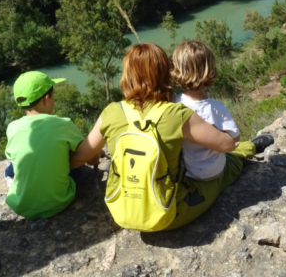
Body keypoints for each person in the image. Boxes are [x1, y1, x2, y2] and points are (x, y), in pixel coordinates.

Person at [70, 43, 274, 230]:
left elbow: (80, 157)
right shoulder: (176, 113)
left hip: (122, 210)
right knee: (230, 162)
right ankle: (251, 148)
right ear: (165, 73)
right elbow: (226, 144)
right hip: (169, 212)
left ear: (127, 75)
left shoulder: (111, 112)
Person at [4, 71, 85, 220]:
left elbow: (11, 155)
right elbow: (85, 152)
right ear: (47, 98)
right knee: (72, 158)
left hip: (21, 206)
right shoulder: (63, 124)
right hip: (59, 202)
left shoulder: (12, 127)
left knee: (13, 166)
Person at [171, 40, 255, 182]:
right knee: (237, 155)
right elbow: (234, 139)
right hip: (214, 172)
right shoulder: (216, 107)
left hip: (187, 174)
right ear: (209, 69)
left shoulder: (173, 104)